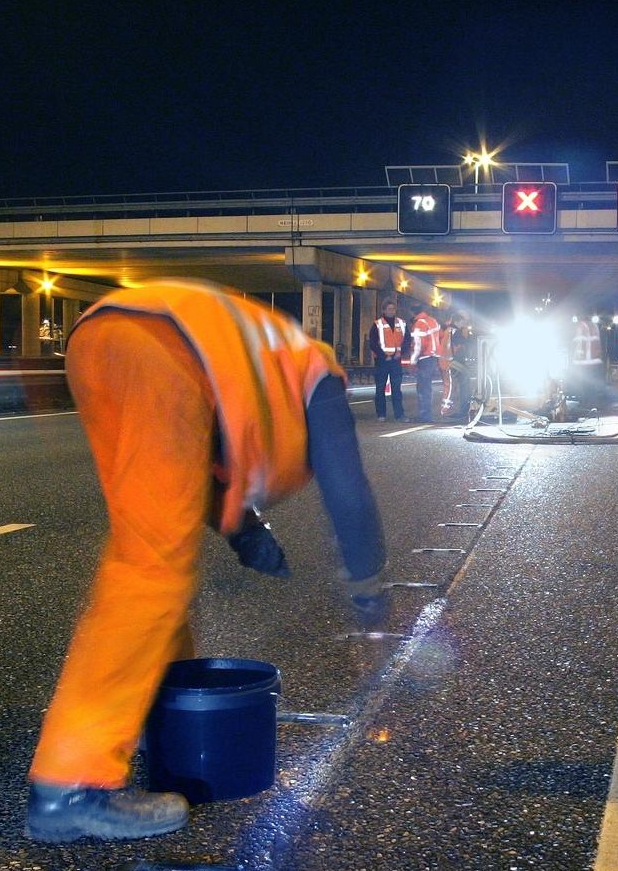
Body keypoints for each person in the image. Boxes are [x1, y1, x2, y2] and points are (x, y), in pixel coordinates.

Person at [25, 279, 389, 842]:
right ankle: (70, 786)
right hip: (160, 349)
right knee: (151, 567)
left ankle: (153, 714)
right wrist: (370, 589)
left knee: (156, 549)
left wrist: (245, 533)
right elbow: (349, 490)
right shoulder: (321, 374)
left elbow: (199, 463)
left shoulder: (261, 360)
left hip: (100, 339)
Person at [368, 299, 408, 421]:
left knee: (396, 389)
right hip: (382, 361)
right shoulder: (377, 324)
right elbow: (373, 343)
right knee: (380, 389)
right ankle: (381, 414)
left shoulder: (402, 323)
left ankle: (399, 415)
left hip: (396, 360)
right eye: (389, 309)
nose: (391, 311)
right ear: (383, 310)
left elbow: (407, 340)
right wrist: (384, 355)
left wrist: (400, 353)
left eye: (393, 309)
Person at [407, 303, 444, 423]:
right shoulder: (433, 321)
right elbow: (441, 337)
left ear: (413, 312)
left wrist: (412, 361)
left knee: (423, 388)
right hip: (433, 357)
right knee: (427, 387)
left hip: (424, 358)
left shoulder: (419, 324)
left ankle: (425, 416)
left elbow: (418, 345)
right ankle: (427, 414)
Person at [568, 312, 604, 409]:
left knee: (584, 385)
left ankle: (586, 405)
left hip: (583, 361)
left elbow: (579, 343)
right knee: (591, 385)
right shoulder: (594, 327)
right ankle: (592, 405)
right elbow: (597, 343)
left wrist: (574, 359)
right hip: (594, 361)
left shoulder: (580, 326)